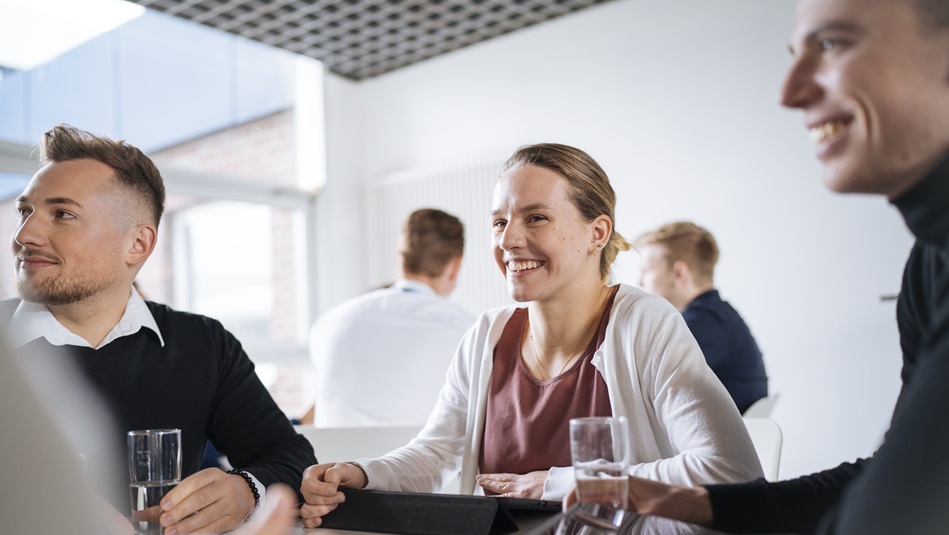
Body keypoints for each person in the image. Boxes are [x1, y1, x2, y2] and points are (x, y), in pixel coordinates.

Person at [565, 0, 949, 533]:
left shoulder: (700, 324)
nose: (788, 93)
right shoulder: (928, 266)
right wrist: (683, 500)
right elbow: (884, 478)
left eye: (832, 44)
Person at [298, 143, 763, 528]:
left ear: (596, 233)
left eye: (535, 218)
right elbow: (437, 451)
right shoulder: (486, 334)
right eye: (500, 222)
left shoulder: (643, 323)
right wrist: (362, 471)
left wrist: (553, 484)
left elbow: (730, 474)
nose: (507, 240)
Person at [6, 124, 317, 534]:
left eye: (63, 214)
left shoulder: (203, 343)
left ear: (137, 244)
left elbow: (288, 454)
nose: (24, 235)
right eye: (25, 212)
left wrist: (246, 490)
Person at [308, 208, 475, 427]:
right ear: (455, 266)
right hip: (420, 460)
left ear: (397, 257)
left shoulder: (327, 324)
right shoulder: (469, 332)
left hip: (329, 459)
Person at [634, 222, 768, 413]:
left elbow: (643, 386)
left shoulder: (704, 324)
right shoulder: (719, 317)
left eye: (646, 270)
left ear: (679, 273)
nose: (639, 282)